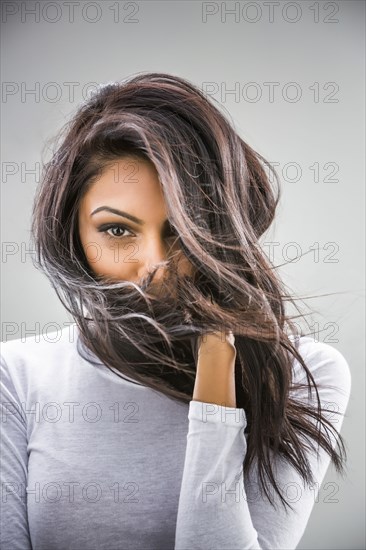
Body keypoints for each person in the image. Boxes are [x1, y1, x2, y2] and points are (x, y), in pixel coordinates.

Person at [0, 72, 351, 549]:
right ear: (72, 232)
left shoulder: (302, 373)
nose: (155, 267)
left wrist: (215, 376)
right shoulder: (17, 376)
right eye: (117, 231)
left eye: (182, 233)